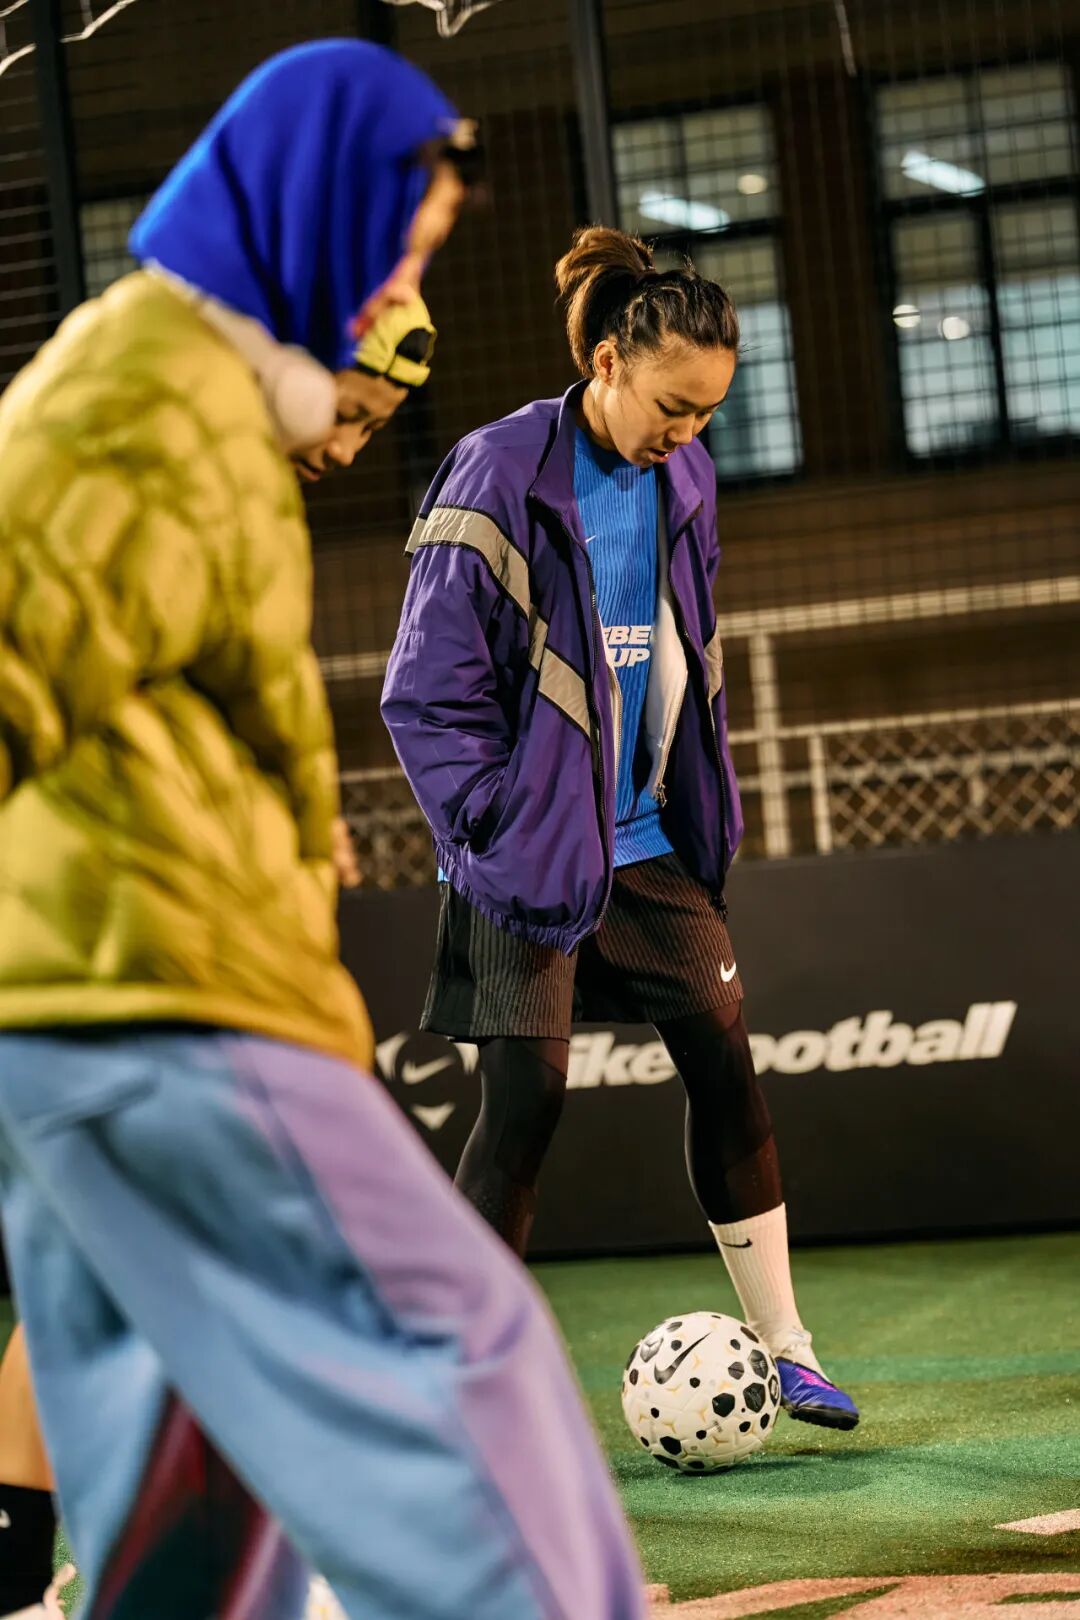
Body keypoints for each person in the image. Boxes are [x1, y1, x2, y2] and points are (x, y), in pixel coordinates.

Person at [0, 48, 646, 1620]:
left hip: (78, 1015)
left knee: (190, 1489)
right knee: (453, 1348)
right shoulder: (144, 406)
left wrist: (288, 833)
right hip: (162, 998)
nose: (396, 294)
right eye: (392, 251)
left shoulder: (177, 395)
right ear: (301, 215)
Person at [382, 224, 860, 1432]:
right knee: (524, 1106)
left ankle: (789, 1349)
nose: (688, 434)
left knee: (726, 1061)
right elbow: (424, 692)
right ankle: (463, 1388)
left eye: (708, 414)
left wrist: (697, 797)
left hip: (646, 843)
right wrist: (491, 829)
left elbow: (687, 650)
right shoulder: (495, 470)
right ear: (606, 363)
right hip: (525, 851)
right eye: (672, 406)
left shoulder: (686, 478)